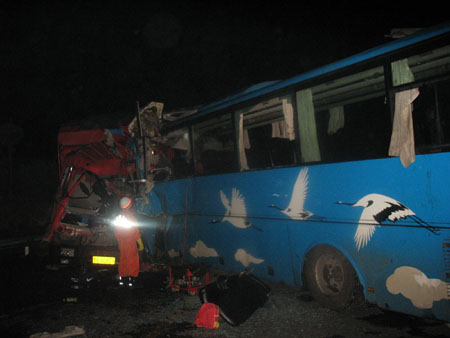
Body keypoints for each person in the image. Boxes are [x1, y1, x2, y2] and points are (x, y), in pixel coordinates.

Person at [114, 196, 144, 287]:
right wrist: (141, 244)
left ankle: (123, 279)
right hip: (130, 242)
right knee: (133, 260)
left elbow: (116, 232)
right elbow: (136, 232)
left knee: (123, 259)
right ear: (130, 205)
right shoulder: (131, 218)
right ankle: (133, 280)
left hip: (122, 243)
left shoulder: (118, 217)